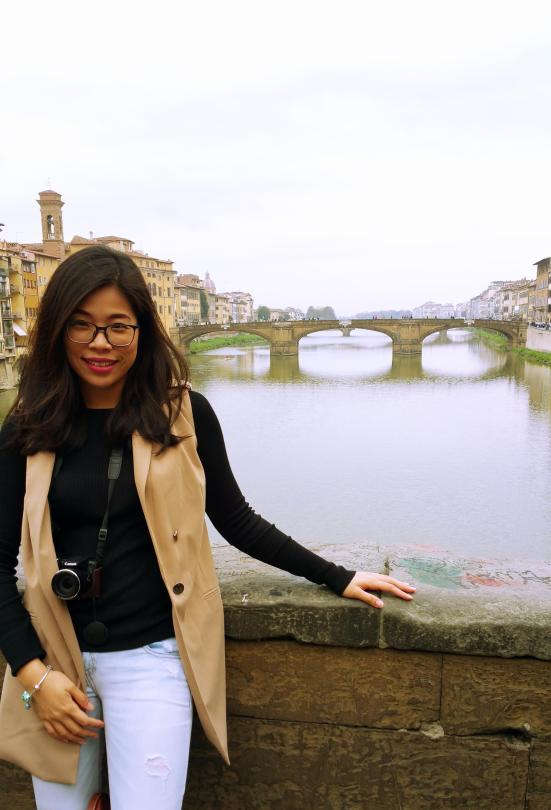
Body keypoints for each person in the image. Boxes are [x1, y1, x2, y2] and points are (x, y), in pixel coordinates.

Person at [0, 246, 415, 810]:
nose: (100, 343)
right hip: (52, 660)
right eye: (82, 326)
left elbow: (236, 519)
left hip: (151, 659)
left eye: (118, 326)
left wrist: (337, 576)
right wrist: (34, 676)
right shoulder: (29, 423)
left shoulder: (185, 415)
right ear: (57, 330)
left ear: (142, 331)